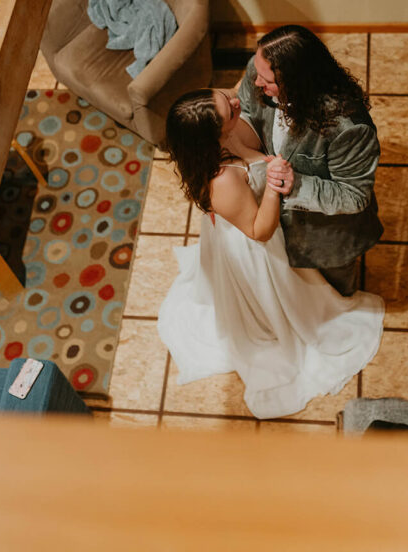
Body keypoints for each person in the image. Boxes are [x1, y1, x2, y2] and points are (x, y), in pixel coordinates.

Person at [157, 88, 384, 420]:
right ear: (214, 133)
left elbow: (249, 153)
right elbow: (259, 231)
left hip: (246, 220)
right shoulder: (222, 181)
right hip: (254, 247)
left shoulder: (221, 139)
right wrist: (276, 185)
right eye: (229, 111)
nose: (236, 102)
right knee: (282, 303)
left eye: (224, 96)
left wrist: (263, 161)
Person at [235, 25, 383, 297]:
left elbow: (354, 196)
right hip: (274, 225)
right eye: (257, 73)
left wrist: (295, 184)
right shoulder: (260, 70)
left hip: (326, 238)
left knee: (336, 294)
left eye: (266, 80)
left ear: (297, 82)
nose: (256, 83)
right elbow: (246, 110)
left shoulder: (348, 127)